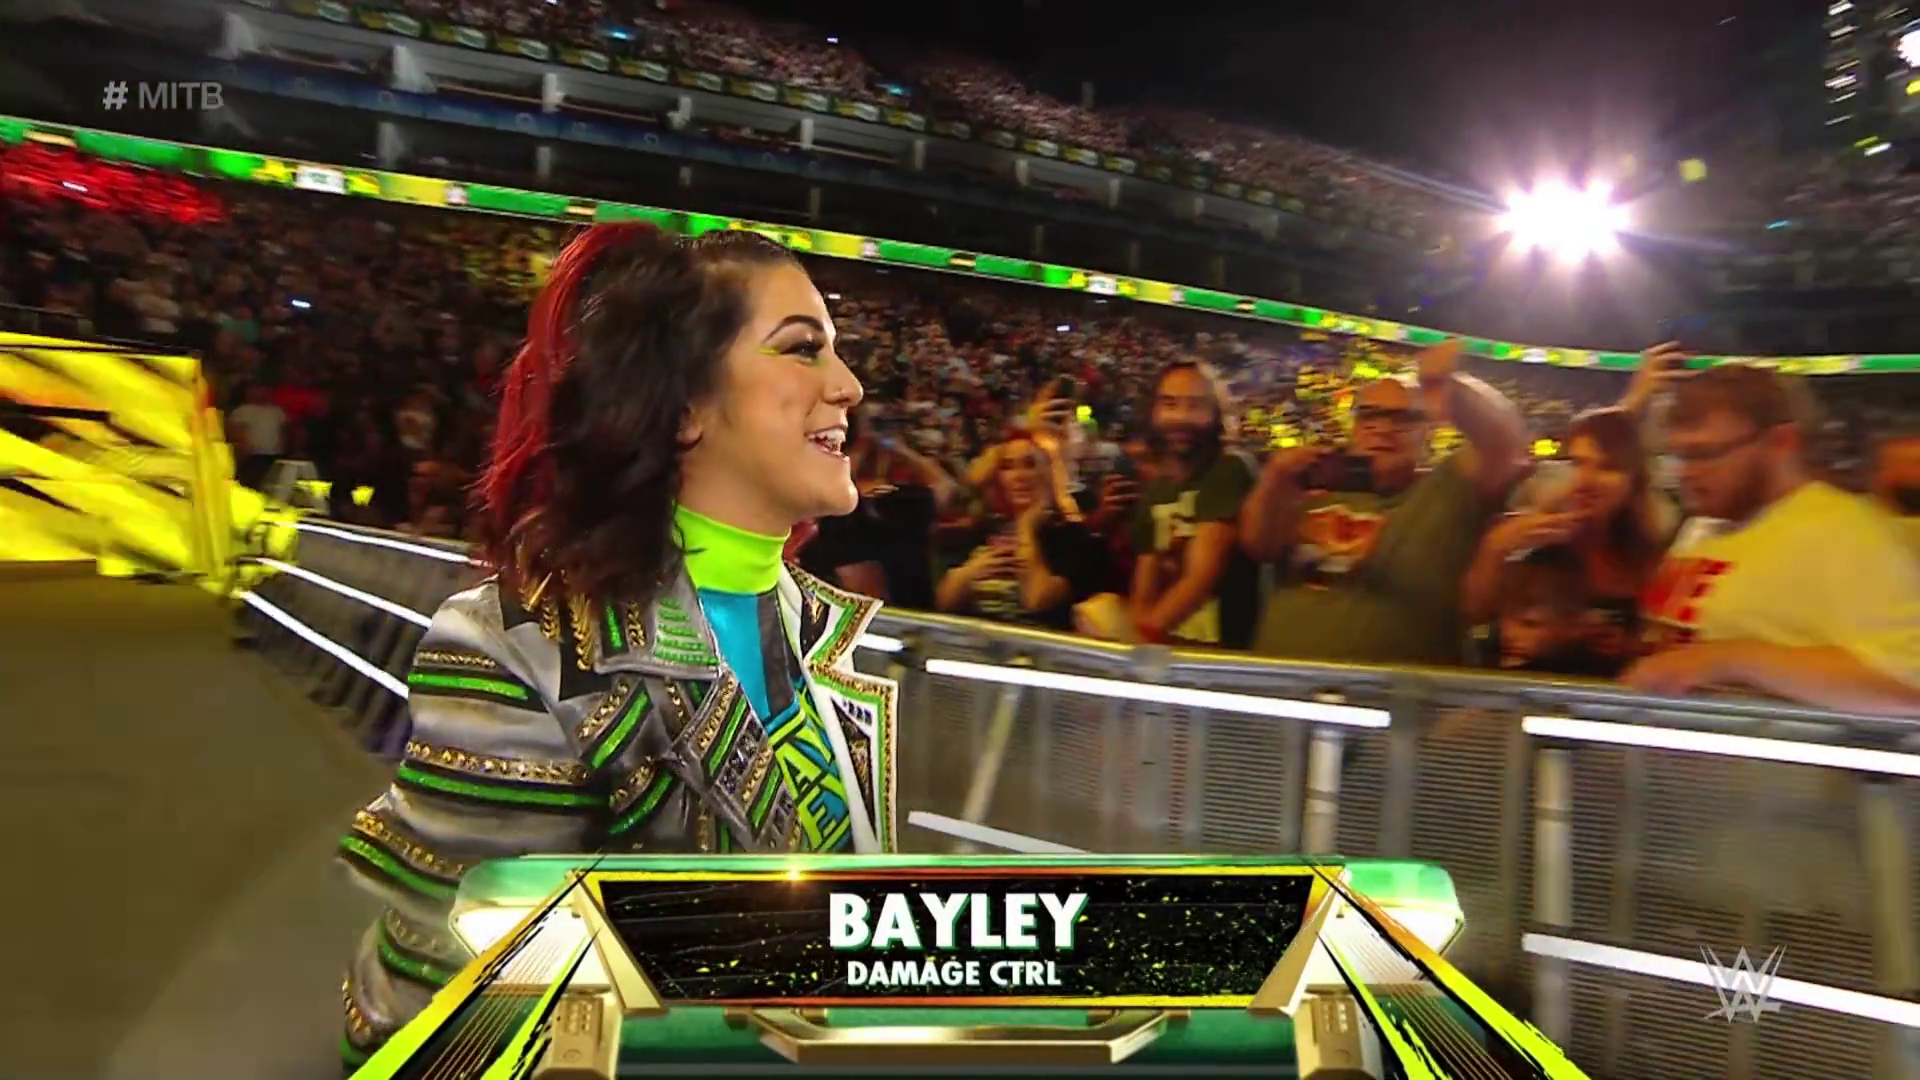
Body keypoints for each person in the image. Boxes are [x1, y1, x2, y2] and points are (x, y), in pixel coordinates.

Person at [334, 225, 900, 1067]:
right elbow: (445, 1016)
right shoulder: (518, 648)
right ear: (684, 407)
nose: (848, 385)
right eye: (801, 349)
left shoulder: (825, 634)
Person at [1626, 363, 1920, 714]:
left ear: (1782, 441)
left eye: (1705, 454)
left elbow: (1907, 688)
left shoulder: (1848, 534)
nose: (1685, 473)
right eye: (1677, 455)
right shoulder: (1702, 526)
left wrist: (1731, 659)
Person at [1239, 339, 1531, 664]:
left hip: (1398, 690)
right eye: (1369, 416)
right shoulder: (1316, 485)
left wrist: (1449, 388)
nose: (1382, 428)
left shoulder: (1448, 489)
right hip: (1281, 683)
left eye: (1401, 419)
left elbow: (1506, 443)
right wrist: (1275, 478)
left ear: (1428, 431)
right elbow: (1259, 546)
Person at [1461, 407, 1676, 674]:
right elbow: (1476, 613)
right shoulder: (1532, 535)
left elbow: (1665, 646)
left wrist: (1630, 646)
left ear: (1634, 480)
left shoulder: (1656, 553)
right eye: (1577, 463)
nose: (1586, 480)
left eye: (1607, 467)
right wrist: (1494, 547)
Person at [1100, 359, 1260, 648]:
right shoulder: (1156, 491)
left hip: (1218, 655)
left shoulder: (1230, 468)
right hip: (1165, 647)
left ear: (1217, 414)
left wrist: (1141, 644)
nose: (1181, 417)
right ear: (1153, 411)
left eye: (1196, 405)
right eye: (1170, 404)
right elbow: (1144, 589)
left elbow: (1199, 580)